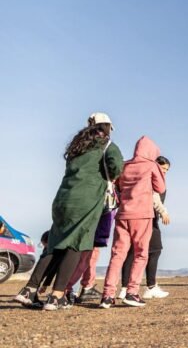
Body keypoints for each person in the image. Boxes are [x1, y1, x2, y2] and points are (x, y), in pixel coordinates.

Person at [15, 116, 124, 311]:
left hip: (62, 200)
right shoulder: (107, 145)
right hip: (86, 201)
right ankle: (57, 297)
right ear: (107, 128)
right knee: (77, 244)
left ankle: (29, 290)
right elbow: (117, 167)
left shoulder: (77, 146)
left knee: (55, 244)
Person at [100, 136, 166, 309]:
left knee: (117, 255)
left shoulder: (125, 165)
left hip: (122, 215)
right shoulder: (151, 165)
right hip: (142, 215)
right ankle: (132, 293)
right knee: (141, 253)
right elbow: (161, 188)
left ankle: (107, 295)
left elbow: (118, 186)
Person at [118, 156, 172, 300]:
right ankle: (151, 287)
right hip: (147, 218)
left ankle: (125, 288)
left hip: (133, 216)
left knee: (132, 251)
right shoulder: (152, 178)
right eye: (163, 168)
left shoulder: (143, 176)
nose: (164, 172)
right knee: (154, 250)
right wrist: (163, 212)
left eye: (167, 170)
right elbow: (154, 198)